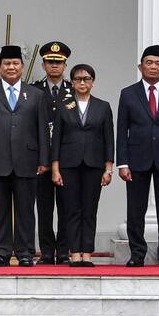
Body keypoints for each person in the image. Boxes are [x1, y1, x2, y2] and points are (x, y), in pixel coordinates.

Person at [0, 45, 49, 266]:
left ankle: (25, 253)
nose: (11, 67)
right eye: (7, 63)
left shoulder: (36, 95)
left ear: (22, 67)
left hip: (28, 160)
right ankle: (2, 252)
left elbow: (42, 129)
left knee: (25, 209)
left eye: (15, 63)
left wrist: (44, 159)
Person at [116, 45, 159, 267]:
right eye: (149, 62)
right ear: (140, 66)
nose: (153, 67)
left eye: (158, 63)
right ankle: (137, 253)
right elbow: (122, 130)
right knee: (135, 209)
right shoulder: (128, 93)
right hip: (137, 159)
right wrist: (123, 163)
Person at [50, 64, 114, 266]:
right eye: (78, 79)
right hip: (69, 164)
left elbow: (108, 139)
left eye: (86, 79)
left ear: (93, 82)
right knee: (71, 209)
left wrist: (108, 168)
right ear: (72, 82)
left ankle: (87, 252)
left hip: (94, 165)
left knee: (89, 209)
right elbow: (56, 139)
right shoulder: (63, 105)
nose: (82, 82)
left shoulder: (103, 106)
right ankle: (74, 252)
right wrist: (55, 168)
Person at [31, 41, 75, 264]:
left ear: (65, 65)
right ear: (43, 64)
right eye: (50, 62)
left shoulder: (74, 90)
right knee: (45, 208)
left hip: (67, 159)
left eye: (58, 62)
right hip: (41, 158)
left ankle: (64, 251)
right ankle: (47, 252)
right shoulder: (34, 90)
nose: (54, 66)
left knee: (67, 207)